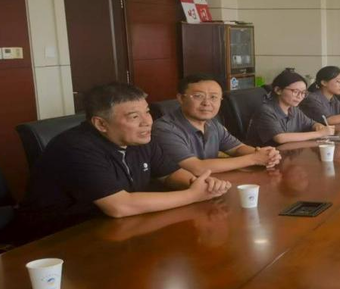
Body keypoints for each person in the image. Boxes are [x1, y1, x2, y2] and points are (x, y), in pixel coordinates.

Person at [18, 83, 232, 239]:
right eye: (134, 117)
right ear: (101, 124)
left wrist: (201, 184)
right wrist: (192, 195)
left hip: (118, 229)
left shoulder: (141, 138)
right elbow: (119, 206)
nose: (147, 122)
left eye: (147, 112)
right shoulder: (75, 147)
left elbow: (170, 174)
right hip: (59, 238)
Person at [152, 74, 281, 175]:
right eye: (198, 96)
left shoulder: (212, 123)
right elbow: (197, 168)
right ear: (181, 98)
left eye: (213, 97)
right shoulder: (165, 129)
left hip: (212, 185)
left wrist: (266, 154)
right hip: (177, 192)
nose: (207, 103)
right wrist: (254, 158)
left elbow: (237, 148)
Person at [244, 70, 336, 147]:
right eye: (295, 91)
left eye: (303, 93)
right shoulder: (266, 110)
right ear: (278, 90)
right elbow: (280, 138)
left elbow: (311, 123)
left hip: (286, 153)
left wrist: (318, 126)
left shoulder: (293, 109)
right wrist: (319, 133)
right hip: (262, 158)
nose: (300, 96)